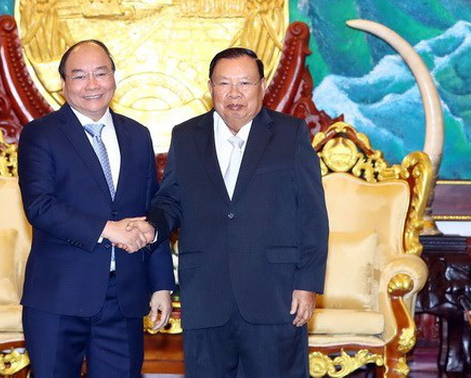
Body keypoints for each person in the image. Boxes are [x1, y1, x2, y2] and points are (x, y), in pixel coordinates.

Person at [128, 47, 329, 377]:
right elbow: (171, 201)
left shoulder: (290, 134)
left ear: (262, 86)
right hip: (206, 293)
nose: (234, 94)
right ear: (211, 88)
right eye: (224, 83)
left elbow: (311, 215)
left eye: (245, 83)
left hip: (275, 294)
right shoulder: (186, 136)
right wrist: (152, 227)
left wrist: (307, 283)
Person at [17, 39, 175, 378]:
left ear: (114, 78)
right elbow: (40, 207)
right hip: (58, 296)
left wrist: (162, 284)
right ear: (63, 84)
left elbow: (153, 209)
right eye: (79, 76)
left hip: (125, 296)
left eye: (100, 73)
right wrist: (108, 229)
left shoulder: (137, 135)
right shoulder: (40, 135)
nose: (92, 85)